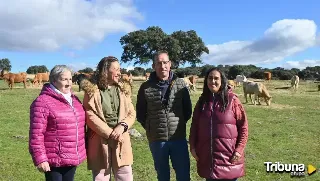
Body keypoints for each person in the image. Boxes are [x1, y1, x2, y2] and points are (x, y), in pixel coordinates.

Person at [136, 51, 193, 181]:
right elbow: (140, 114)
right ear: (153, 66)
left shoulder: (180, 85)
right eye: (159, 63)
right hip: (157, 140)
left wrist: (177, 125)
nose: (163, 66)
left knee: (183, 174)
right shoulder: (145, 87)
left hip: (178, 138)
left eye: (165, 62)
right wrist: (152, 127)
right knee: (162, 175)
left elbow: (187, 111)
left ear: (170, 64)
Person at [189, 68, 249, 181]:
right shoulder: (202, 102)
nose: (213, 81)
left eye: (216, 78)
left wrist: (239, 149)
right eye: (210, 78)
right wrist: (192, 147)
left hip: (229, 159)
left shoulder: (233, 100)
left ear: (222, 81)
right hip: (209, 161)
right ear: (206, 81)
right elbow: (194, 127)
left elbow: (243, 127)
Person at [81, 56, 136, 181]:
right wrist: (110, 133)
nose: (119, 72)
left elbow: (131, 113)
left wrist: (122, 126)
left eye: (119, 69)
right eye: (115, 69)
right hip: (100, 139)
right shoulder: (92, 90)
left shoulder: (123, 89)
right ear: (105, 71)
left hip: (121, 138)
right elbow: (89, 115)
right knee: (101, 176)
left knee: (125, 174)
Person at [29, 65, 87, 181]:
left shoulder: (74, 100)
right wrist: (40, 158)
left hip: (72, 156)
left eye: (70, 79)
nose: (69, 83)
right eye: (64, 79)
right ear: (54, 80)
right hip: (54, 160)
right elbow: (36, 134)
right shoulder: (42, 102)